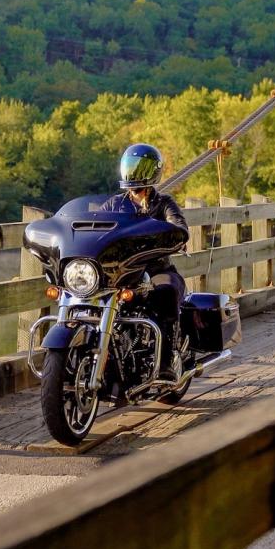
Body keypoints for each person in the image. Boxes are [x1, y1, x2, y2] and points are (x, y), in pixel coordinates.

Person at [104, 143, 187, 380]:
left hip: (156, 268)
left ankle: (166, 361)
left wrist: (176, 237)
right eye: (130, 167)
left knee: (167, 291)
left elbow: (179, 226)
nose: (134, 174)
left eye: (140, 168)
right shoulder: (115, 204)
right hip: (123, 273)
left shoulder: (164, 203)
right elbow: (96, 225)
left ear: (154, 171)